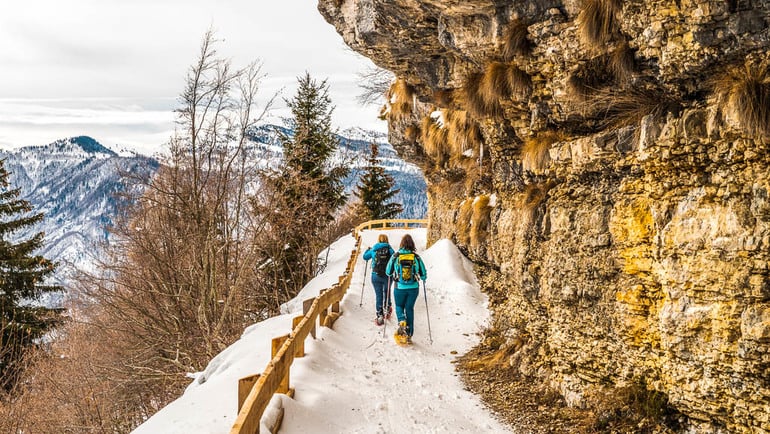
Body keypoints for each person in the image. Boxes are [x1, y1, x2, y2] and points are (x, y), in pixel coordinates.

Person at [386, 234, 427, 344]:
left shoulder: (396, 256)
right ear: (412, 244)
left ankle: (401, 320)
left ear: (402, 244)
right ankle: (409, 335)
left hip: (399, 287)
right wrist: (423, 278)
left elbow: (388, 271)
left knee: (399, 306)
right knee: (409, 308)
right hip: (414, 288)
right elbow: (423, 273)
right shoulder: (416, 257)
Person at [362, 234, 395, 325]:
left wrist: (367, 250)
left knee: (378, 295)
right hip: (388, 276)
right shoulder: (390, 250)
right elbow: (395, 260)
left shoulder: (374, 249)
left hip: (375, 275)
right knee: (387, 291)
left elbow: (365, 257)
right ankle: (387, 308)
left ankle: (380, 315)